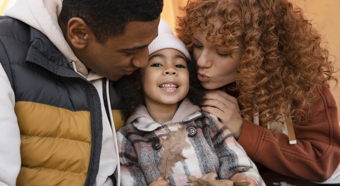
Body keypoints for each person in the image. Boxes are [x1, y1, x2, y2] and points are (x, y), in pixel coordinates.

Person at [176, 0, 340, 185]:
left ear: (258, 53)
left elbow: (322, 163)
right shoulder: (185, 79)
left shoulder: (301, 83)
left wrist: (241, 130)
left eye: (222, 52)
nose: (202, 61)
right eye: (197, 45)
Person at [0, 0, 163, 185]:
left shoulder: (127, 43)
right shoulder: (5, 56)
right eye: (130, 52)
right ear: (79, 33)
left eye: (150, 43)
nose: (143, 61)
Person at [116, 19, 265, 186]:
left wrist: (244, 178)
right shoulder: (128, 138)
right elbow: (128, 179)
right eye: (157, 64)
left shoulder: (207, 122)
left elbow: (238, 162)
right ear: (137, 78)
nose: (170, 70)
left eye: (179, 65)